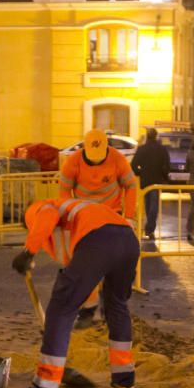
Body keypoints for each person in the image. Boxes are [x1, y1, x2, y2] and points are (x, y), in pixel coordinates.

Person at [8, 198, 140, 388]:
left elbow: (47, 216)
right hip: (128, 241)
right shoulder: (77, 213)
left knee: (60, 309)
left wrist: (28, 251)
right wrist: (84, 307)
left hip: (98, 241)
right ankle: (124, 380)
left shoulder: (38, 208)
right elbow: (84, 275)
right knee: (117, 306)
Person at [58, 129, 137, 327]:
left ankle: (112, 308)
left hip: (112, 216)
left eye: (99, 158)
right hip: (85, 219)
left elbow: (131, 186)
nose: (95, 162)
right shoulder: (72, 162)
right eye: (92, 159)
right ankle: (88, 310)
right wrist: (71, 213)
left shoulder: (117, 159)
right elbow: (64, 192)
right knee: (86, 265)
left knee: (113, 265)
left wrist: (129, 217)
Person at [130, 127, 171, 240]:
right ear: (156, 136)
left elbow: (133, 165)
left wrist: (140, 173)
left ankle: (149, 228)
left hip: (145, 181)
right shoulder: (162, 149)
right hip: (156, 181)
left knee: (148, 205)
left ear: (147, 136)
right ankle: (150, 229)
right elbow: (167, 165)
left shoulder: (142, 149)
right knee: (154, 205)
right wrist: (164, 176)